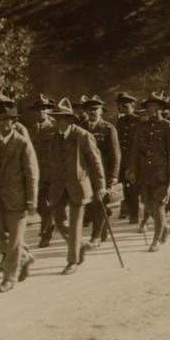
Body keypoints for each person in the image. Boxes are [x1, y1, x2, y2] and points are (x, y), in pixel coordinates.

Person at [0, 103, 39, 292]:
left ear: (14, 122)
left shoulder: (22, 143)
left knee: (14, 240)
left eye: (6, 120)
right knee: (2, 238)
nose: (1, 123)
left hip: (18, 199)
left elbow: (31, 173)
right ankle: (24, 258)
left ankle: (9, 278)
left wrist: (32, 200)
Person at [47, 98, 105, 275]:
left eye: (60, 118)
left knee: (74, 224)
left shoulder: (83, 136)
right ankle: (80, 244)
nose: (57, 122)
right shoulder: (55, 137)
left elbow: (96, 163)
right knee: (58, 220)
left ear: (69, 119)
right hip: (58, 186)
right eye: (55, 118)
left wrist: (100, 186)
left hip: (78, 186)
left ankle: (72, 261)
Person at [127, 92, 170, 251]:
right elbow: (134, 151)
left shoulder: (167, 126)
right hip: (144, 172)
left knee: (158, 205)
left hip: (161, 172)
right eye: (149, 107)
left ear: (161, 109)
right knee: (147, 204)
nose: (152, 110)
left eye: (156, 107)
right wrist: (132, 170)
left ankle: (156, 240)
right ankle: (165, 227)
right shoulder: (140, 127)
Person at [82, 96, 120, 250]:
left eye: (96, 109)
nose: (93, 112)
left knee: (99, 204)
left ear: (101, 111)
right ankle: (102, 232)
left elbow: (115, 154)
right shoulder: (81, 127)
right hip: (85, 173)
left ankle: (95, 236)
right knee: (91, 205)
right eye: (90, 109)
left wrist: (113, 176)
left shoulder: (108, 128)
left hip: (102, 173)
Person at [29, 94, 58, 248]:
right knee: (40, 205)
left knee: (46, 205)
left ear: (48, 111)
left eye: (44, 109)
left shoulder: (54, 128)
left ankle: (46, 234)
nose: (40, 112)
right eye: (38, 110)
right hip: (36, 173)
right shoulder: (31, 129)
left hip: (50, 172)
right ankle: (50, 223)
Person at [115, 92, 141, 224]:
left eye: (125, 106)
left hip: (136, 160)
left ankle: (135, 213)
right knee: (126, 187)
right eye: (121, 106)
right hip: (123, 160)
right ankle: (130, 211)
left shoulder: (139, 121)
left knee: (134, 188)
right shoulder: (120, 122)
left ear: (132, 105)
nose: (123, 108)